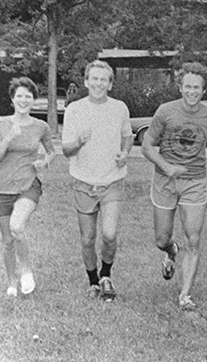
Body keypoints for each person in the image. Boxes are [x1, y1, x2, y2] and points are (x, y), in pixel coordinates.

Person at [141, 62, 207, 311]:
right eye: (187, 86)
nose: (192, 91)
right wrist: (167, 167)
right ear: (180, 87)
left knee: (194, 239)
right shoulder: (165, 112)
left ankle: (185, 296)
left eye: (197, 87)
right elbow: (147, 146)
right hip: (165, 180)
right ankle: (170, 252)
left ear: (204, 91)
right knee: (161, 238)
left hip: (195, 181)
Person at [62, 60, 132, 302]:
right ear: (86, 81)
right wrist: (79, 142)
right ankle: (92, 282)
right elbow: (66, 150)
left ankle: (106, 275)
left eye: (104, 79)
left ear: (110, 84)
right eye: (94, 78)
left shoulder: (120, 108)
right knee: (87, 238)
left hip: (112, 179)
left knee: (110, 234)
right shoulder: (75, 110)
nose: (99, 83)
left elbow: (127, 137)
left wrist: (125, 153)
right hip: (83, 181)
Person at [0, 77, 56, 297]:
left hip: (28, 184)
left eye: (28, 96)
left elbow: (51, 151)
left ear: (34, 100)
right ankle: (11, 282)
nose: (24, 100)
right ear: (12, 99)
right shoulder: (0, 123)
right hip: (2, 188)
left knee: (17, 227)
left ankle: (26, 271)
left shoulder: (41, 126)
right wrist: (8, 137)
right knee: (8, 241)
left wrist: (45, 160)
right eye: (20, 96)